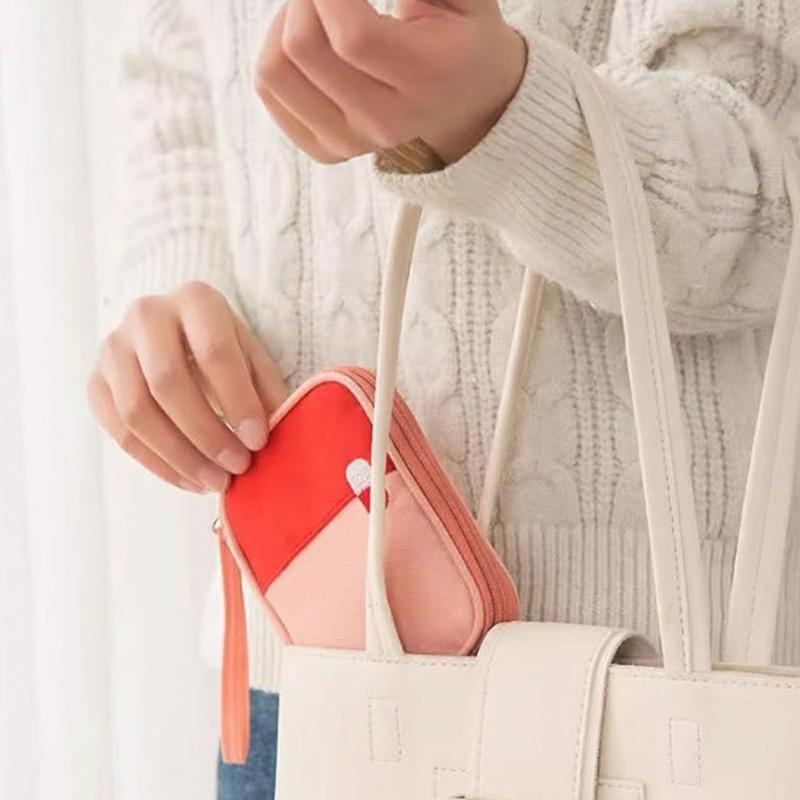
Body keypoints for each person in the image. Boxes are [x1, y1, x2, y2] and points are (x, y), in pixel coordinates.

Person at [87, 0, 800, 796]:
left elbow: (771, 198)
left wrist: (507, 117)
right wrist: (171, 291)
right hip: (301, 673)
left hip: (652, 682)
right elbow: (172, 72)